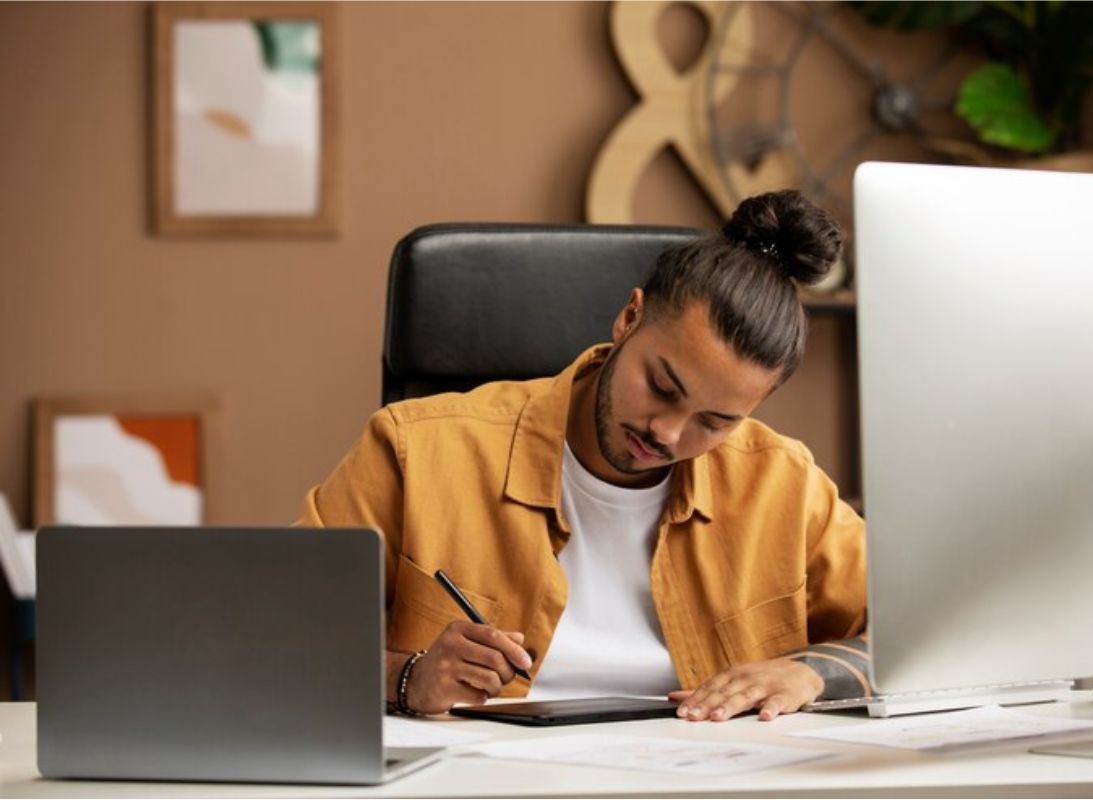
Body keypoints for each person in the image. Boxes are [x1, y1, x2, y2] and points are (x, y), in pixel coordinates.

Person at [298, 190, 868, 722]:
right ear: (629, 319)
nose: (668, 432)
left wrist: (813, 674)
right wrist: (407, 677)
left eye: (714, 422)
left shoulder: (783, 484)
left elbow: (927, 641)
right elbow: (277, 638)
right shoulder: (417, 450)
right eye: (663, 387)